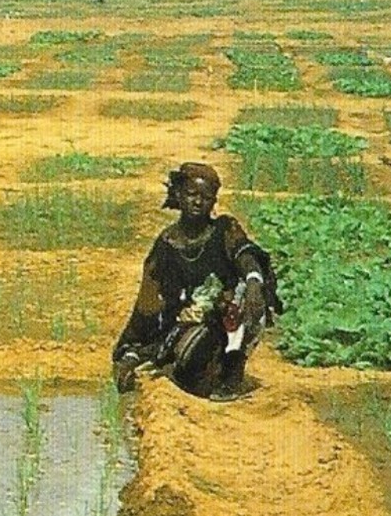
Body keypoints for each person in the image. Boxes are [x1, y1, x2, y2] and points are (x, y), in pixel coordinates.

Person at [112, 163, 281, 400]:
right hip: (188, 321)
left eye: (206, 197)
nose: (198, 202)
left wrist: (254, 283)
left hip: (228, 319)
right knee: (189, 359)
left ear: (214, 202)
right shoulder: (167, 244)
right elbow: (148, 305)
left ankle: (233, 372)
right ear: (179, 195)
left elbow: (245, 256)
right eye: (192, 194)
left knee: (246, 298)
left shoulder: (224, 229)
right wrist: (131, 353)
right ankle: (204, 369)